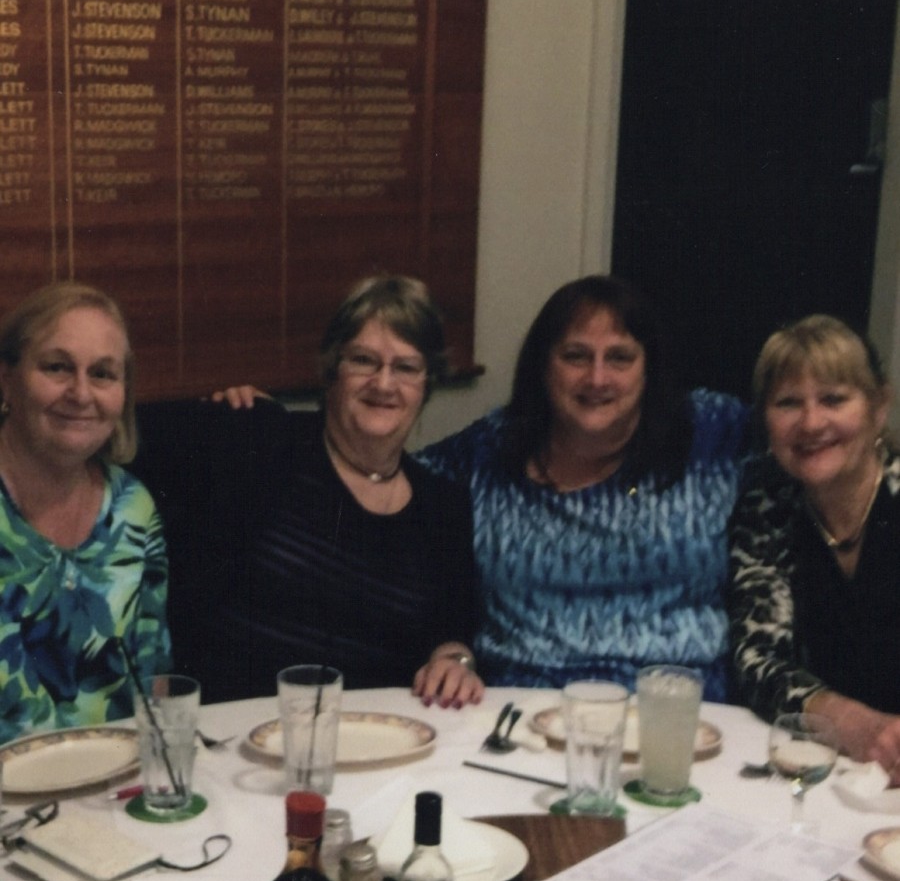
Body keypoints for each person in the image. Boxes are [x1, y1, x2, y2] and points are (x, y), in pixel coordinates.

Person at [134, 275, 482, 707]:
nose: (384, 383)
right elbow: (116, 437)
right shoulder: (257, 437)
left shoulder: (441, 505)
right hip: (234, 742)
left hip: (377, 744)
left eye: (406, 367)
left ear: (427, 384)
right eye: (363, 360)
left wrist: (454, 662)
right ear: (331, 369)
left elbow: (452, 631)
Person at [417, 275, 749, 697]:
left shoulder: (712, 434)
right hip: (524, 718)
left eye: (620, 358)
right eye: (576, 356)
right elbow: (389, 484)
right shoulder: (488, 452)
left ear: (649, 368)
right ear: (542, 365)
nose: (597, 378)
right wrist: (452, 652)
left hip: (683, 721)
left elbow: (810, 442)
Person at [729, 313, 900, 781]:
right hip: (823, 763)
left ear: (877, 407)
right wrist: (856, 725)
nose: (811, 422)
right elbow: (758, 660)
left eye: (833, 399)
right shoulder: (768, 504)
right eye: (788, 403)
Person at [0, 282, 170, 742]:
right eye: (57, 367)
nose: (80, 392)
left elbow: (153, 683)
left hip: (113, 785)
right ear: (6, 378)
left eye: (102, 374)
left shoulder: (134, 509)